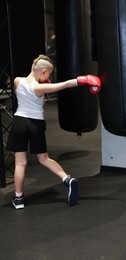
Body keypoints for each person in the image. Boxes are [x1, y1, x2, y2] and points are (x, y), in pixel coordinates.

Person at [6, 54, 101, 209]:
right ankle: (66, 179)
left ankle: (18, 199)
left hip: (19, 122)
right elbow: (65, 85)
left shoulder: (17, 81)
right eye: (48, 74)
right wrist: (83, 79)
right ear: (43, 71)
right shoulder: (40, 87)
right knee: (44, 159)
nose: (48, 77)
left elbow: (21, 92)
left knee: (20, 163)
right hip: (35, 124)